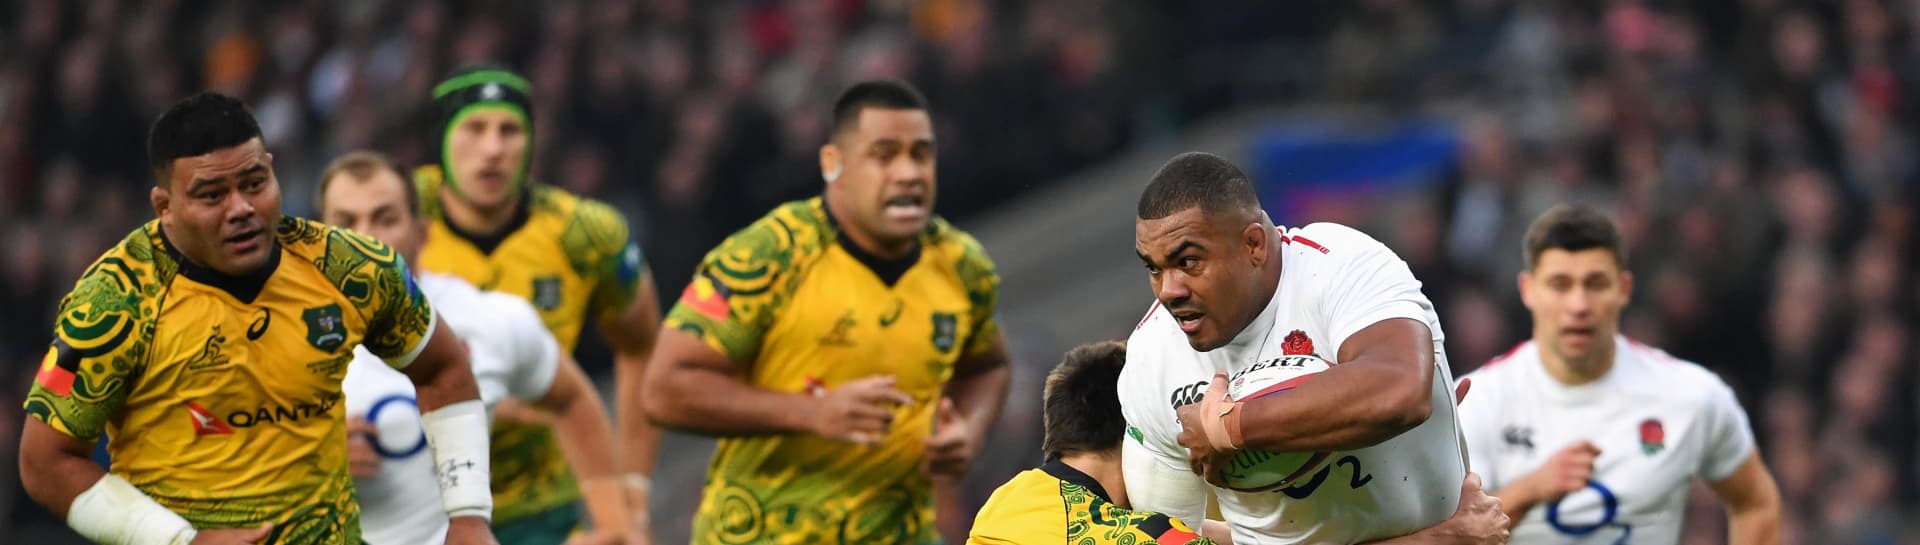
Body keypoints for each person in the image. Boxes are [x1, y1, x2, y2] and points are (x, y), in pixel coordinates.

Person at [16, 92, 496, 545]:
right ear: (165, 207)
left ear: (272, 170)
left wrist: (470, 513)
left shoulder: (351, 270)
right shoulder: (114, 301)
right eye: (211, 195)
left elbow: (442, 370)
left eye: (253, 183)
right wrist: (179, 540)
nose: (241, 209)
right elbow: (45, 462)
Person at [643, 80, 1011, 544]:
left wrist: (970, 433)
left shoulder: (960, 265)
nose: (908, 173)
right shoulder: (769, 256)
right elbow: (663, 389)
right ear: (833, 164)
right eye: (884, 154)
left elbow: (988, 363)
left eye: (921, 154)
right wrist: (810, 414)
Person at [1120, 152, 1478, 543]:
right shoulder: (1151, 359)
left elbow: (1401, 391)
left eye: (1188, 261)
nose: (1168, 290)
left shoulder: (1340, 266)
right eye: (1153, 268)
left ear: (1253, 244)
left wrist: (1229, 428)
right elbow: (1169, 535)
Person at [317, 151, 636, 545]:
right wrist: (314, 463)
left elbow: (571, 399)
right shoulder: (269, 337)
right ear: (319, 240)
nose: (365, 236)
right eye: (346, 222)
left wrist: (616, 525)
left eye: (385, 219)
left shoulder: (487, 320)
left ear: (421, 235)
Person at [412, 67, 659, 544]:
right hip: (418, 506)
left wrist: (632, 493)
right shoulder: (390, 218)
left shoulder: (582, 234)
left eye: (510, 130)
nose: (493, 149)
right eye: (474, 129)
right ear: (441, 142)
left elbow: (642, 346)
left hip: (541, 511)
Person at [1455, 204, 1782, 544]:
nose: (1579, 305)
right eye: (1560, 284)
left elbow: (1756, 504)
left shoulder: (1690, 395)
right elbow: (1451, 535)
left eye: (1595, 284)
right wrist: (1530, 489)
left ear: (1623, 289)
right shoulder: (1478, 400)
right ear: (1528, 290)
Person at [970, 341, 1509, 545]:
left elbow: (1209, 535)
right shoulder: (1117, 536)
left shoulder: (1007, 505)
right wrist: (1448, 537)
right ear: (1137, 431)